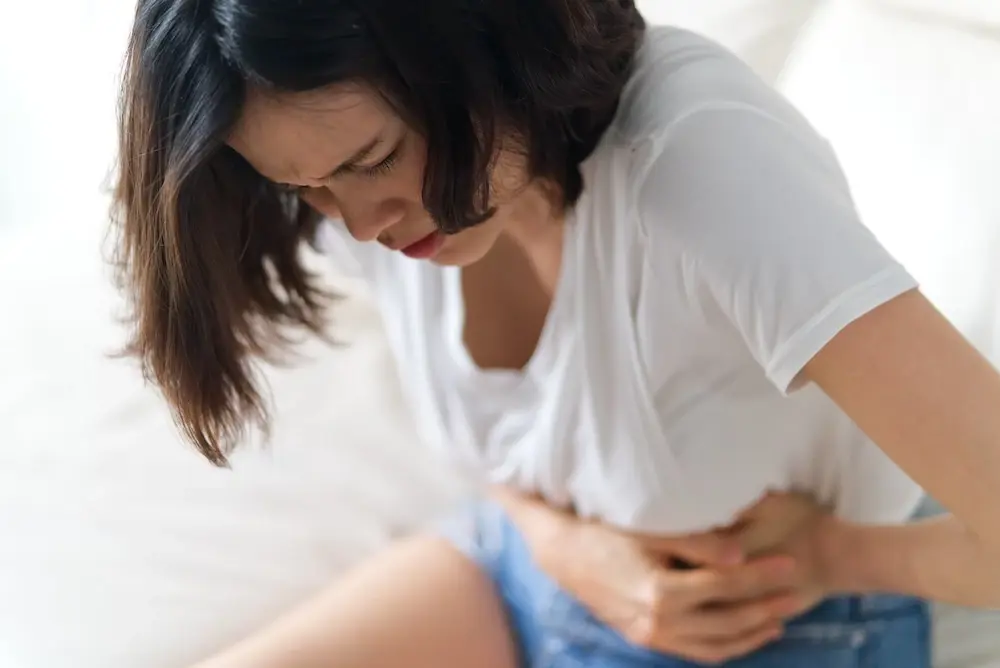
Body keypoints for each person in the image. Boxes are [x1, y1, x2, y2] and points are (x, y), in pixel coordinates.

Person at [112, 0, 1000, 666]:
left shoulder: (699, 162)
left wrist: (825, 553)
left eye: (370, 161)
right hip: (535, 570)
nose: (356, 222)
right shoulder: (380, 196)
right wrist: (564, 545)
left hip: (760, 630)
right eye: (304, 187)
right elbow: (521, 448)